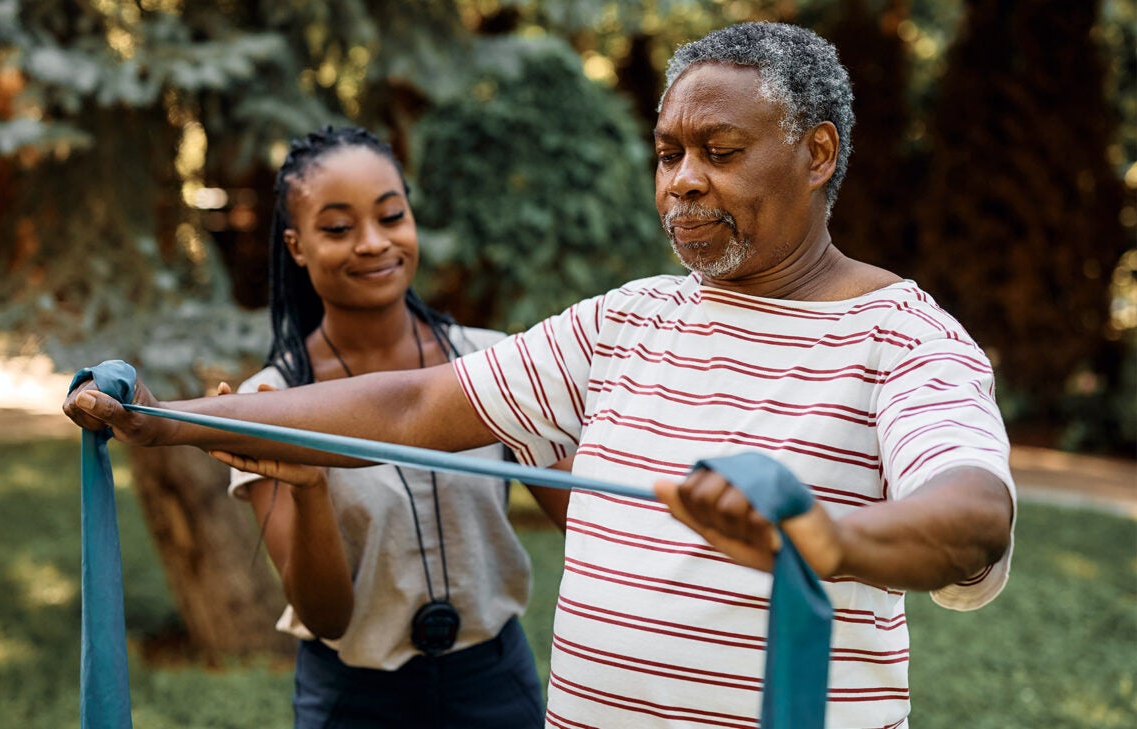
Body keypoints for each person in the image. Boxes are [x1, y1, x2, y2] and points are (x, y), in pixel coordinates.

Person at [65, 22, 1016, 728]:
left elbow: (973, 515)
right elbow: (414, 399)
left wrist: (827, 536)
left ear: (817, 155)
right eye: (668, 153)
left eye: (719, 153)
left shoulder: (903, 336)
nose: (682, 179)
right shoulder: (626, 318)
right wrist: (173, 420)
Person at [210, 125, 565, 728]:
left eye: (391, 216)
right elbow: (325, 619)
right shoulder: (271, 402)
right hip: (353, 699)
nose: (373, 243)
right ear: (297, 246)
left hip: (495, 681)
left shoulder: (492, 364)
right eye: (339, 228)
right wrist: (311, 483)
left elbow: (585, 523)